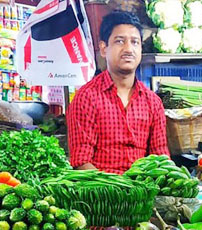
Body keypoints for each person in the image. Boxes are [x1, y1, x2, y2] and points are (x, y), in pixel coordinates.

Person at [67, 11, 169, 174]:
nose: (129, 49)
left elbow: (161, 158)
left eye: (135, 42)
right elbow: (81, 162)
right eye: (120, 41)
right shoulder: (86, 97)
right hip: (101, 193)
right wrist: (119, 189)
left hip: (143, 192)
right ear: (103, 48)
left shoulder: (153, 102)